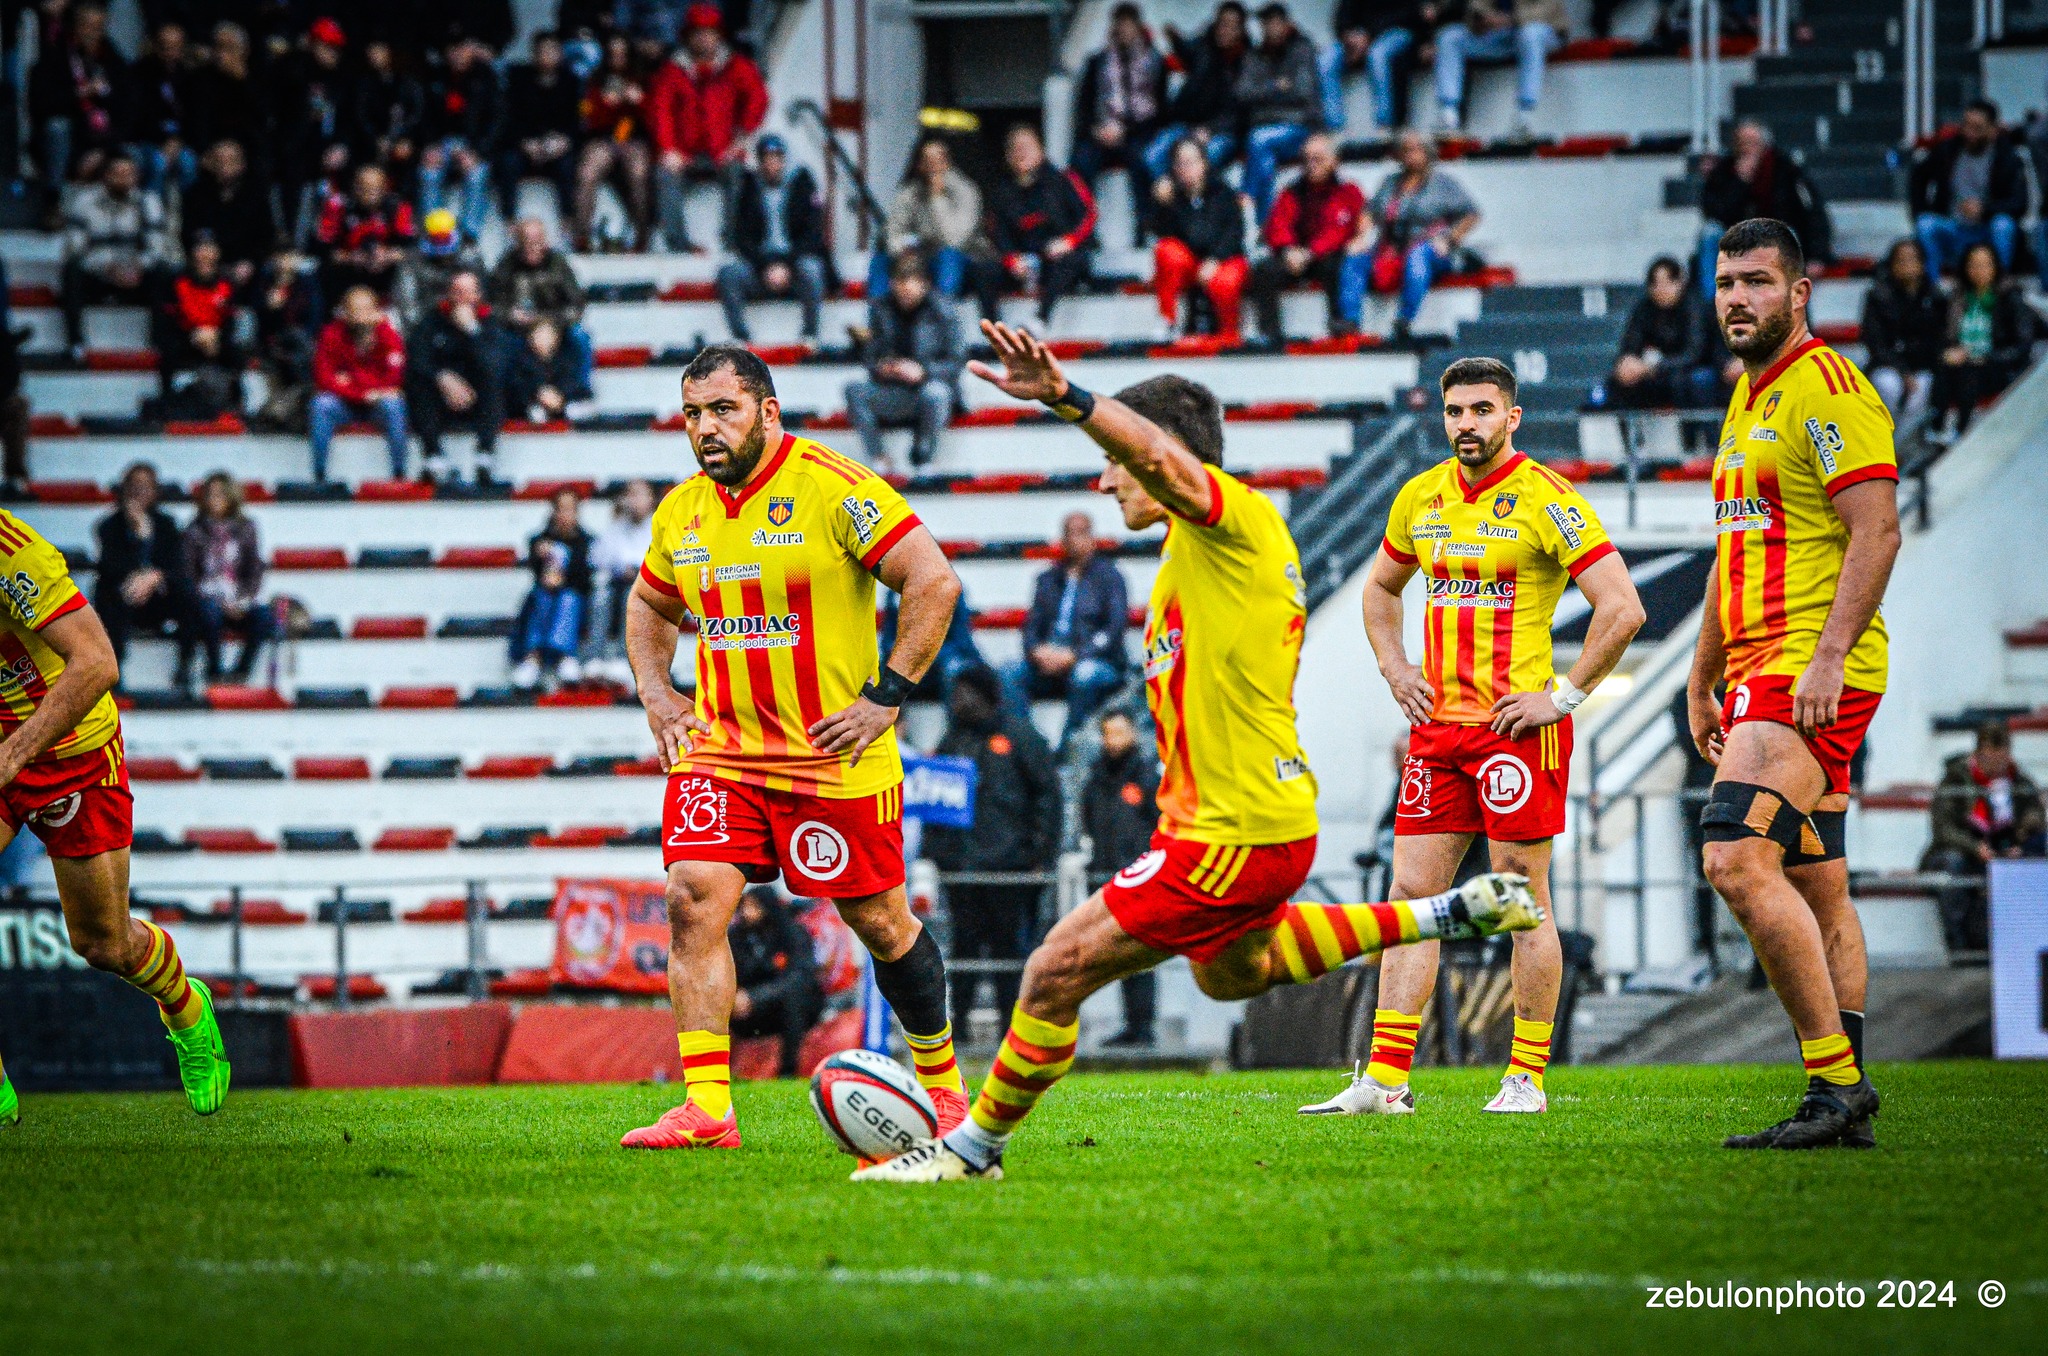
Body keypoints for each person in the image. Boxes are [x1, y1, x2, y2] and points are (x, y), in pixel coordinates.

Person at [857, 327, 1541, 1183]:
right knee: (1232, 976)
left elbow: (1166, 464)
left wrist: (1068, 398)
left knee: (1053, 968)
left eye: (1118, 459)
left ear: (1163, 458)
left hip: (1232, 831)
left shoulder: (1233, 520)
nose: (1106, 478)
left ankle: (971, 1150)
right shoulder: (1192, 558)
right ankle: (1443, 912)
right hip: (1249, 823)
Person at [620, 345, 972, 1150]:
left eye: (721, 410)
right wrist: (657, 691)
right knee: (692, 897)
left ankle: (947, 1096)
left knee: (880, 922)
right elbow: (649, 606)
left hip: (830, 757)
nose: (703, 429)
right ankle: (707, 1109)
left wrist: (887, 695)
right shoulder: (682, 512)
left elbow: (933, 580)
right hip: (722, 753)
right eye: (690, 415)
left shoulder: (832, 488)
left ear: (766, 411)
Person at [1309, 355, 1644, 1119]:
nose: (1467, 424)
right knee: (1411, 899)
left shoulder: (1548, 499)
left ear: (1512, 417)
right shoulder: (1420, 497)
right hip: (1438, 734)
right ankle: (1386, 1081)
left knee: (1522, 901)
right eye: (1456, 411)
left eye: (1482, 410)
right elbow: (1379, 588)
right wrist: (1395, 668)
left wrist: (1561, 697)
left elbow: (1621, 607)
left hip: (1512, 734)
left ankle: (1524, 1078)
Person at [1685, 216, 1900, 1149]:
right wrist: (1701, 675)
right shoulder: (1749, 397)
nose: (1738, 298)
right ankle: (1843, 1095)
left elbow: (1878, 531)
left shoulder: (1830, 389)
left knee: (1733, 857)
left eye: (1758, 282)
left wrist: (1828, 655)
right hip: (1755, 670)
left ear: (1799, 292)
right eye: (1727, 281)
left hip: (1811, 671)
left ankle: (1835, 1083)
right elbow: (1731, 550)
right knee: (1817, 888)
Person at [2, 495, 238, 1127]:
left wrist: (14, 754)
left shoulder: (13, 554)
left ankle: (186, 1008)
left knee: (103, 944)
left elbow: (98, 663)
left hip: (68, 751)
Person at [922, 663, 1064, 1030]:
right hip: (962, 872)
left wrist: (1039, 856)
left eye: (965, 692)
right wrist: (936, 856)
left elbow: (1048, 796)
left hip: (1010, 871)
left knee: (1010, 951)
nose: (958, 701)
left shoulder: (1020, 736)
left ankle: (1011, 1026)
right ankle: (959, 1027)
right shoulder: (951, 742)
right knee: (963, 951)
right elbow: (934, 802)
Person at [648, 5, 768, 253]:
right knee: (664, 176)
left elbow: (758, 98)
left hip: (722, 152)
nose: (704, 39)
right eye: (698, 33)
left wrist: (741, 139)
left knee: (740, 174)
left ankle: (734, 242)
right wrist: (669, 149)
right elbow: (660, 109)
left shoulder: (736, 66)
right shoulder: (673, 70)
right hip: (684, 154)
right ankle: (678, 246)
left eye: (710, 33)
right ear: (688, 36)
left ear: (719, 35)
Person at [1002, 511, 1130, 743]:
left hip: (1094, 660)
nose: (1074, 540)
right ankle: (1026, 743)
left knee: (1085, 674)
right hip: (1049, 661)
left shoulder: (1110, 578)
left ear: (1093, 538)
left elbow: (1113, 632)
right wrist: (1037, 651)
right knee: (1009, 672)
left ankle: (1069, 746)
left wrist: (1075, 655)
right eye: (1069, 533)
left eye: (1081, 533)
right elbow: (1031, 629)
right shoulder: (1047, 579)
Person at [1921, 721, 2044, 952]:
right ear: (1978, 754)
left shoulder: (2018, 781)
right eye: (1991, 757)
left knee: (2035, 853)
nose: (1998, 763)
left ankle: (2023, 944)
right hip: (1962, 854)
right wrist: (1974, 847)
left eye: (2003, 756)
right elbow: (1943, 829)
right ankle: (1959, 947)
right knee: (1952, 863)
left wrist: (2022, 841)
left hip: (2003, 852)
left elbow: (2035, 815)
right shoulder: (1955, 780)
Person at [1082, 709, 1160, 1046]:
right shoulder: (1095, 780)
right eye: (1108, 733)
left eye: (1119, 732)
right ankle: (1132, 1025)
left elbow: (1160, 824)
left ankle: (1142, 1026)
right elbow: (1088, 822)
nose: (1113, 740)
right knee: (1117, 957)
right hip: (1106, 877)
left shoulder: (1147, 777)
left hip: (1140, 879)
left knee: (1141, 954)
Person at [845, 254, 964, 471]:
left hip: (929, 390)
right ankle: (879, 457)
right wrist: (884, 368)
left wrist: (923, 372)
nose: (905, 293)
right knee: (853, 391)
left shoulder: (944, 310)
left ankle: (923, 455)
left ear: (924, 284)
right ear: (892, 284)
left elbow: (956, 362)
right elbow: (871, 358)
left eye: (911, 285)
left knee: (936, 393)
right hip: (892, 389)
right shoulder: (880, 309)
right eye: (900, 285)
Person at [1247, 132, 1367, 343]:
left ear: (1334, 161)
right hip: (1294, 255)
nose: (1311, 165)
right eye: (1307, 159)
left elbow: (1339, 231)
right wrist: (1288, 250)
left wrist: (1310, 253)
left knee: (1337, 266)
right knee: (1264, 270)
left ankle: (1339, 328)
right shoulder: (1291, 191)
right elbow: (1277, 225)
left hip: (1324, 256)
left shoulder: (1348, 191)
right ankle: (1270, 334)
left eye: (1318, 159)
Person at [1360, 128, 1479, 339]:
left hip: (1432, 249)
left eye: (1416, 150)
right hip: (1393, 247)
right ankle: (1349, 322)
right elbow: (1370, 211)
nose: (1410, 155)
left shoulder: (1442, 184)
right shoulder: (1390, 183)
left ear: (1428, 153)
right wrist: (1361, 236)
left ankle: (1404, 320)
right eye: (1405, 150)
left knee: (1418, 257)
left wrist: (1448, 240)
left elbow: (1471, 215)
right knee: (1354, 259)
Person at [60, 154, 177, 362]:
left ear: (137, 177)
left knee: (164, 272)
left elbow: (158, 248)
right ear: (105, 176)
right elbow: (74, 248)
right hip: (98, 276)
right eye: (117, 174)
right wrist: (107, 267)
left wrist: (136, 266)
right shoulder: (84, 201)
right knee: (71, 270)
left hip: (136, 277)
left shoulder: (148, 201)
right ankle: (76, 343)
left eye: (128, 174)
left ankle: (159, 341)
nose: (123, 179)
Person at [1697, 120, 1830, 300]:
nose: (1748, 149)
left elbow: (1813, 212)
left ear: (1764, 144)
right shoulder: (1724, 172)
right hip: (1735, 236)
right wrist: (1740, 183)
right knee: (1709, 233)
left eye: (1753, 143)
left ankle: (1787, 301)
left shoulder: (1786, 169)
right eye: (1743, 143)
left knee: (1789, 235)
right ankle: (1713, 304)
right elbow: (1715, 213)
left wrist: (1817, 255)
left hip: (1773, 233)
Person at [1070, 3, 1169, 238]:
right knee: (1079, 163)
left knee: (1144, 160)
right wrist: (1096, 130)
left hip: (1138, 133)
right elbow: (1084, 106)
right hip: (1101, 133)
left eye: (1128, 25)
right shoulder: (1097, 63)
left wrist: (1126, 130)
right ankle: (1083, 229)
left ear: (1138, 27)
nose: (1123, 30)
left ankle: (1145, 225)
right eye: (1119, 24)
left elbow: (1161, 112)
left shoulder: (1154, 62)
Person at [717, 135, 828, 345]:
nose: (772, 163)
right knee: (728, 275)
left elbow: (813, 234)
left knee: (812, 269)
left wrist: (786, 266)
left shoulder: (802, 183)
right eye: (767, 158)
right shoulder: (749, 186)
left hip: (794, 267)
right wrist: (766, 266)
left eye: (777, 157)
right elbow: (741, 236)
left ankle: (810, 335)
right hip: (761, 267)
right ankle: (741, 338)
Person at [981, 124, 1096, 327]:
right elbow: (997, 232)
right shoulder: (1001, 192)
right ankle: (994, 328)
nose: (1021, 153)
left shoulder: (1064, 180)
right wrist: (1011, 259)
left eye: (1027, 146)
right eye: (1016, 148)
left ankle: (1040, 318)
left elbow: (1089, 215)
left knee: (1071, 260)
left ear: (1040, 150)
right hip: (1024, 264)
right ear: (1008, 156)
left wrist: (1068, 241)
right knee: (984, 270)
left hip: (1059, 257)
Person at [91, 462, 195, 686]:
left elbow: (177, 567)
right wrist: (140, 538)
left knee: (189, 594)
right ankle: (113, 668)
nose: (139, 492)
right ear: (124, 490)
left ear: (156, 491)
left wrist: (154, 576)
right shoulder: (108, 526)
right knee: (106, 593)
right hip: (124, 599)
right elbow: (109, 568)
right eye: (134, 486)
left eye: (146, 486)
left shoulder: (167, 524)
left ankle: (186, 665)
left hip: (158, 601)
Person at [405, 270, 509, 486]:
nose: (462, 299)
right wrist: (442, 377)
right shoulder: (432, 320)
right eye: (457, 292)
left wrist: (472, 331)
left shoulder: (490, 322)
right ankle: (433, 454)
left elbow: (495, 365)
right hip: (439, 399)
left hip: (476, 398)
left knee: (494, 382)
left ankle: (484, 454)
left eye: (468, 293)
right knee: (419, 382)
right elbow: (417, 359)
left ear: (479, 295)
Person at [1930, 240, 2037, 445]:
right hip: (1964, 364)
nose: (1979, 270)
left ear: (1995, 266)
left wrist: (1984, 357)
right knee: (1944, 363)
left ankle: (1961, 430)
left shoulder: (2010, 297)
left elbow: (2022, 347)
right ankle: (1936, 424)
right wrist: (1949, 352)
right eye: (1973, 265)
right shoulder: (1958, 297)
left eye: (1985, 264)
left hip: (2001, 366)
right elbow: (1944, 337)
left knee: (1970, 369)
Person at [1908, 100, 2026, 282]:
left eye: (1977, 128)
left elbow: (2019, 203)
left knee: (2003, 225)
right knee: (1925, 225)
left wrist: (1985, 210)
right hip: (1953, 228)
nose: (1969, 133)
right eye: (1966, 126)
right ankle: (1931, 288)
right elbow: (1918, 177)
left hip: (1987, 230)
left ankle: (1998, 286)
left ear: (1993, 131)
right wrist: (1920, 210)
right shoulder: (1948, 150)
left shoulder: (2008, 158)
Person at [1149, 136, 1250, 342]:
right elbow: (1161, 233)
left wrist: (1215, 259)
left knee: (1225, 281)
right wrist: (1161, 205)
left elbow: (1235, 232)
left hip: (1223, 259)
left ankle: (1230, 333)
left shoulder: (1224, 192)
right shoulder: (1172, 196)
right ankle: (1167, 320)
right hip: (1191, 261)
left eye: (1192, 162)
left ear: (1204, 163)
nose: (1186, 168)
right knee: (1166, 251)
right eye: (1181, 163)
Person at [28, 2, 125, 213]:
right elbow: (41, 105)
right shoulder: (54, 57)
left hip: (104, 143)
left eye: (99, 27)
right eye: (87, 26)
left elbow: (127, 111)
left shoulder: (114, 61)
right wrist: (78, 94)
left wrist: (103, 151)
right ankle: (52, 203)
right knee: (57, 127)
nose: (93, 33)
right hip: (70, 140)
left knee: (137, 155)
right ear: (74, 27)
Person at [1603, 255, 1731, 412]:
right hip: (1659, 370)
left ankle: (1693, 435)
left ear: (1680, 283)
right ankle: (1634, 434)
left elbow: (1694, 353)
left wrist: (1652, 367)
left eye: (1667, 282)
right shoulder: (1644, 309)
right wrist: (1628, 361)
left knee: (1692, 381)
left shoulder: (1694, 307)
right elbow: (1631, 342)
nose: (1661, 289)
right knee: (1619, 381)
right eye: (1655, 284)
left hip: (1692, 369)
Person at [1141, 1, 1250, 182]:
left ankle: (1192, 206)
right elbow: (1185, 49)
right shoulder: (1203, 46)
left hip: (1222, 132)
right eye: (1222, 23)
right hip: (1186, 124)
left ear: (1241, 30)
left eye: (1231, 25)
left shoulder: (1248, 61)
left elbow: (1239, 112)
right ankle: (1168, 201)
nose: (1224, 29)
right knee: (1152, 156)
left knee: (1207, 157)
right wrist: (1174, 37)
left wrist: (1211, 130)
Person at [180, 472, 272, 685]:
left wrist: (243, 599)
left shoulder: (247, 528)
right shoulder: (193, 530)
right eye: (210, 494)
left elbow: (254, 570)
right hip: (206, 597)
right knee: (209, 611)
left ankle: (242, 670)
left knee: (264, 616)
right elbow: (188, 574)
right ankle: (214, 668)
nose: (215, 499)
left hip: (236, 596)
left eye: (220, 494)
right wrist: (214, 599)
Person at [874, 136, 989, 308]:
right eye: (928, 160)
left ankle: (942, 314)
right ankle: (877, 318)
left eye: (939, 159)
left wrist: (936, 198)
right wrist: (903, 249)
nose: (933, 165)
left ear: (948, 162)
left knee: (948, 256)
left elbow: (954, 240)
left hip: (964, 259)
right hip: (921, 257)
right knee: (881, 260)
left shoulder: (966, 191)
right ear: (919, 164)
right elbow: (892, 233)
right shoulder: (909, 192)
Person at [310, 285, 409, 481]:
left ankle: (399, 473)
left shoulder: (388, 334)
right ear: (344, 312)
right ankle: (319, 474)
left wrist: (351, 380)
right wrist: (364, 392)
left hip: (377, 404)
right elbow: (324, 379)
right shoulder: (331, 334)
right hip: (345, 404)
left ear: (376, 311)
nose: (361, 316)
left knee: (394, 405)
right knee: (321, 403)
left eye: (366, 310)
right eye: (355, 310)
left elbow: (395, 377)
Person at [728, 885, 826, 1078]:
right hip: (749, 1012)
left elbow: (800, 976)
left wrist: (756, 998)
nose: (748, 912)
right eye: (745, 906)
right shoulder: (735, 936)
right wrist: (732, 996)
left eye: (754, 906)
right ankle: (714, 1072)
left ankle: (788, 1072)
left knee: (794, 996)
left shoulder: (792, 932)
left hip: (797, 1010)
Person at [488, 218, 594, 395]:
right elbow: (491, 304)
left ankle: (581, 390)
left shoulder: (558, 263)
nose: (532, 247)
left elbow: (577, 304)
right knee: (498, 341)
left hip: (555, 325)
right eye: (527, 241)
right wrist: (510, 316)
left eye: (538, 241)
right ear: (518, 243)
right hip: (518, 328)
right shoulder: (506, 265)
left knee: (580, 337)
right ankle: (509, 397)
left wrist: (550, 325)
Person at [1237, 3, 1322, 219]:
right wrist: (1275, 87)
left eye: (1276, 23)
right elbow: (1242, 94)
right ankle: (1263, 225)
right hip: (1268, 136)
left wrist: (1264, 104)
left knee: (1259, 139)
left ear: (1286, 25)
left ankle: (1246, 195)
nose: (1271, 29)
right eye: (1266, 24)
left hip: (1301, 130)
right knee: (1265, 162)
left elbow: (1303, 93)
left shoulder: (1302, 50)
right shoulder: (1254, 56)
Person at [1432, 0, 1566, 138]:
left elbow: (1546, 11)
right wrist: (1484, 19)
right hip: (1502, 36)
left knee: (1530, 34)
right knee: (1450, 37)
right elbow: (1476, 8)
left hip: (1544, 31)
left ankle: (1524, 116)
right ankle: (1448, 115)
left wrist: (1511, 19)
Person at [571, 34, 654, 251]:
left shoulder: (644, 79)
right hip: (604, 139)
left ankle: (642, 236)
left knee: (638, 174)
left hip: (635, 139)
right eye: (613, 55)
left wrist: (639, 102)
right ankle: (582, 237)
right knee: (587, 173)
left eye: (622, 55)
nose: (617, 60)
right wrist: (605, 105)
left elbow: (656, 119)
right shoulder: (594, 82)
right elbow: (585, 119)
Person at [418, 35, 504, 244]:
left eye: (463, 48)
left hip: (473, 145)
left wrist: (478, 152)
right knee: (428, 172)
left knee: (476, 173)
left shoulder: (487, 77)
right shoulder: (435, 77)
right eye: (453, 49)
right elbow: (423, 117)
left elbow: (497, 121)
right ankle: (434, 233)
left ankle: (469, 236)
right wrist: (430, 147)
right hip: (441, 143)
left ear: (472, 49)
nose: (458, 54)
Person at [1859, 238, 1948, 426]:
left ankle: (1901, 449)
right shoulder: (1877, 297)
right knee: (1889, 386)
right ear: (1891, 265)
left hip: (1923, 366)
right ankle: (1884, 443)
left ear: (1923, 264)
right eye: (1901, 260)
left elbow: (1939, 338)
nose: (1907, 265)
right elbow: (1875, 343)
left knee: (1922, 388)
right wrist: (1903, 371)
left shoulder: (1935, 297)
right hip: (1887, 365)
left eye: (1912, 259)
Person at [495, 29, 582, 221]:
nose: (547, 56)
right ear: (534, 54)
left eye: (553, 50)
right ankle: (508, 220)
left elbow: (578, 122)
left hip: (558, 146)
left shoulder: (572, 81)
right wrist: (524, 143)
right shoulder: (518, 79)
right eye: (543, 51)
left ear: (560, 54)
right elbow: (509, 119)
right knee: (508, 162)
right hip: (526, 145)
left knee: (568, 165)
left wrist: (564, 141)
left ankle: (568, 222)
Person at [511, 487, 593, 689]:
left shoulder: (587, 543)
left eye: (570, 510)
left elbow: (585, 581)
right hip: (545, 597)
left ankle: (564, 654)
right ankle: (533, 657)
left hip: (576, 602)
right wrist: (543, 559)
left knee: (568, 598)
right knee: (542, 596)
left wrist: (562, 580)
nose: (565, 515)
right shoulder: (539, 542)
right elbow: (538, 576)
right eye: (560, 509)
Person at [1321, 1, 1440, 134]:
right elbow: (1341, 17)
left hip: (1397, 32)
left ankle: (1384, 124)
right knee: (1326, 60)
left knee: (1378, 55)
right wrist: (1349, 36)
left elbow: (1413, 15)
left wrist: (1369, 36)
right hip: (1360, 38)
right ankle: (1335, 127)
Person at [158, 233, 242, 411]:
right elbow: (169, 317)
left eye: (209, 249)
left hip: (215, 339)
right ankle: (169, 401)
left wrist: (216, 336)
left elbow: (231, 318)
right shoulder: (177, 280)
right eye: (200, 248)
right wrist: (193, 334)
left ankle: (235, 403)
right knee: (168, 350)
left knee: (237, 351)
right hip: (186, 337)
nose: (205, 254)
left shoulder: (227, 282)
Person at [585, 477, 657, 684]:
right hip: (616, 585)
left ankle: (623, 657)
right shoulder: (616, 526)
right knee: (601, 596)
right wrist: (619, 568)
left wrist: (638, 570)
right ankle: (594, 657)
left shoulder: (659, 526)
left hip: (649, 589)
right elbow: (596, 558)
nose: (633, 500)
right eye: (629, 495)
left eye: (638, 495)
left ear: (651, 499)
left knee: (631, 596)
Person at [315, 162, 416, 303]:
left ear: (384, 188)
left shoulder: (398, 206)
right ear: (355, 186)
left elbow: (410, 248)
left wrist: (387, 255)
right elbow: (323, 250)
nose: (369, 194)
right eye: (363, 187)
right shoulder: (337, 206)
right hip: (346, 277)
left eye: (375, 188)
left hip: (386, 277)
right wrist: (351, 257)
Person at [181, 140, 276, 287]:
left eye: (232, 160)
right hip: (205, 262)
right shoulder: (195, 195)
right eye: (220, 160)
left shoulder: (256, 196)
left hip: (245, 264)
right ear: (210, 162)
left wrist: (251, 261)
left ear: (242, 164)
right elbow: (189, 233)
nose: (225, 166)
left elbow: (265, 237)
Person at [348, 38, 426, 196]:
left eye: (379, 49)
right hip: (371, 145)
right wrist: (376, 139)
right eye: (371, 49)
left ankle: (402, 209)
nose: (373, 54)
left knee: (407, 161)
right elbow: (361, 117)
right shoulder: (364, 84)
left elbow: (417, 116)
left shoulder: (409, 83)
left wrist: (404, 139)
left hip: (402, 144)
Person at [129, 19, 199, 195]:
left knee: (189, 163)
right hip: (150, 139)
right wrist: (163, 141)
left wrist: (178, 140)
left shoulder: (190, 77)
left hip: (181, 140)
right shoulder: (140, 74)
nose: (170, 52)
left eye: (176, 47)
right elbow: (139, 117)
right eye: (165, 46)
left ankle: (185, 216)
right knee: (158, 163)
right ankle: (154, 216)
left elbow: (195, 116)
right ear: (155, 45)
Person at [393, 209, 486, 330]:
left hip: (467, 317)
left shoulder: (470, 257)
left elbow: (482, 295)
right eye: (436, 238)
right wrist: (425, 329)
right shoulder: (412, 261)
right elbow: (407, 303)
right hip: (426, 320)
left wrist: (472, 321)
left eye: (445, 238)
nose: (441, 244)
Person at [506, 318, 595, 423]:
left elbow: (571, 381)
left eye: (547, 335)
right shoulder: (521, 359)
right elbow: (519, 385)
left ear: (556, 337)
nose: (543, 340)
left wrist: (559, 396)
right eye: (539, 335)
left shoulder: (566, 358)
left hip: (561, 400)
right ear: (530, 337)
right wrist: (540, 393)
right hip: (533, 403)